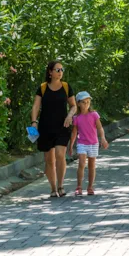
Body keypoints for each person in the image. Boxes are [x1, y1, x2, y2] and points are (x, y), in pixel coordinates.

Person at [30, 61, 77, 198]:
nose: (60, 72)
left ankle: (61, 186)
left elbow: (73, 106)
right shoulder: (43, 88)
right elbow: (35, 107)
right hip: (46, 127)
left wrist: (69, 115)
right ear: (50, 72)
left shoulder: (67, 87)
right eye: (57, 69)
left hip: (63, 126)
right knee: (49, 160)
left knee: (60, 155)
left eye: (62, 69)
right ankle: (53, 188)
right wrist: (34, 122)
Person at [68, 91, 109, 196]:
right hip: (82, 143)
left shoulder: (94, 115)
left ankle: (90, 187)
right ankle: (79, 187)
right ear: (78, 103)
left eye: (88, 102)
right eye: (83, 102)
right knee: (81, 164)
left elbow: (100, 128)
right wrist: (71, 145)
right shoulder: (76, 118)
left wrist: (103, 138)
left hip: (93, 144)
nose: (86, 104)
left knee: (92, 165)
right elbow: (74, 132)